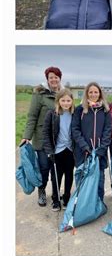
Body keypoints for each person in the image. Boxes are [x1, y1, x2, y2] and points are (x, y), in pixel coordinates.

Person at [21, 66, 63, 207]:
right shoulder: (39, 94)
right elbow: (32, 116)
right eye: (51, 77)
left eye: (56, 77)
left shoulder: (63, 94)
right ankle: (42, 191)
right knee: (44, 167)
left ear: (59, 78)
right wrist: (27, 136)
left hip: (58, 139)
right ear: (47, 79)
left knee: (55, 168)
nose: (53, 79)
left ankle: (56, 193)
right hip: (42, 138)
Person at [71, 82, 112, 202]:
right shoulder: (80, 110)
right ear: (87, 94)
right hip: (83, 151)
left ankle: (98, 202)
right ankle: (83, 202)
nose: (93, 94)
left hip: (100, 152)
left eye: (96, 92)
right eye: (91, 92)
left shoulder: (105, 110)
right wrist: (84, 146)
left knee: (99, 178)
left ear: (99, 94)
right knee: (83, 177)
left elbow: (107, 130)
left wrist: (102, 148)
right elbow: (75, 129)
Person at [42, 88, 76, 211]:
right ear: (58, 101)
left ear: (72, 101)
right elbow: (45, 133)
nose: (66, 103)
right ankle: (56, 199)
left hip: (70, 150)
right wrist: (49, 150)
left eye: (68, 100)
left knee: (69, 175)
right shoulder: (52, 114)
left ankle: (66, 196)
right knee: (56, 176)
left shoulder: (75, 113)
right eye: (63, 100)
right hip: (56, 150)